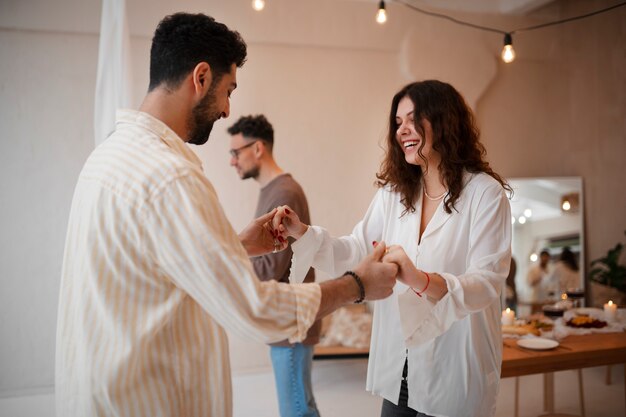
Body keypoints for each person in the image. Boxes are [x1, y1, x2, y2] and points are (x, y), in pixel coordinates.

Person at [55, 13, 398, 417]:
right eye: (228, 89)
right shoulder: (170, 177)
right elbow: (254, 308)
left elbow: (148, 262)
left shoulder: (108, 156)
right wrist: (357, 284)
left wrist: (234, 245)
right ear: (201, 77)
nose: (226, 108)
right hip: (144, 401)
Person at [272, 80, 512, 417]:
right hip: (402, 361)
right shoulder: (394, 196)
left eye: (413, 119)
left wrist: (421, 279)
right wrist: (303, 232)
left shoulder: (485, 195)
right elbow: (356, 251)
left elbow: (487, 280)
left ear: (444, 120)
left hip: (455, 363)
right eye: (398, 123)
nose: (403, 131)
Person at [227, 114, 322, 416]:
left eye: (236, 152)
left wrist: (229, 258)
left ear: (258, 149)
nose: (232, 161)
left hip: (290, 322)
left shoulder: (283, 193)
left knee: (296, 410)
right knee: (302, 406)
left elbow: (271, 267)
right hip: (287, 320)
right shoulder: (274, 191)